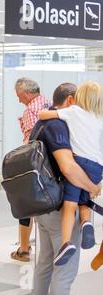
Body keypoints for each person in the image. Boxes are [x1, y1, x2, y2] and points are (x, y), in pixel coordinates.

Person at [21, 83, 101, 295]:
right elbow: (68, 167)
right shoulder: (58, 125)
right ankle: (86, 221)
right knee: (64, 273)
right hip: (59, 208)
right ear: (70, 100)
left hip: (42, 205)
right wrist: (93, 187)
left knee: (45, 263)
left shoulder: (40, 124)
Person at [39, 81, 103, 266]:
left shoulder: (73, 112)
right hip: (98, 167)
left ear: (76, 98)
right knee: (85, 198)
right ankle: (86, 223)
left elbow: (44, 114)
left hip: (79, 163)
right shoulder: (99, 117)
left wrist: (49, 112)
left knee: (70, 204)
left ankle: (66, 243)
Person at [12, 77, 52, 262]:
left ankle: (24, 249)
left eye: (19, 95)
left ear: (27, 93)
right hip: (51, 163)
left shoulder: (31, 110)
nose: (19, 99)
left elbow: (31, 143)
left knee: (24, 204)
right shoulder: (49, 104)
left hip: (35, 163)